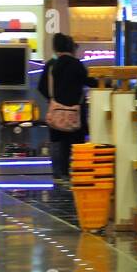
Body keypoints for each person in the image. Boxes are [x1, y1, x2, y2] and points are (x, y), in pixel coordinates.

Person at [41, 34, 89, 181]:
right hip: (76, 112)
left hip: (56, 112)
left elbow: (41, 87)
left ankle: (58, 175)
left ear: (55, 47)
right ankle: (75, 173)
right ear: (71, 47)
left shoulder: (51, 65)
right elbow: (88, 81)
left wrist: (53, 100)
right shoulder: (77, 64)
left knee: (56, 142)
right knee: (75, 142)